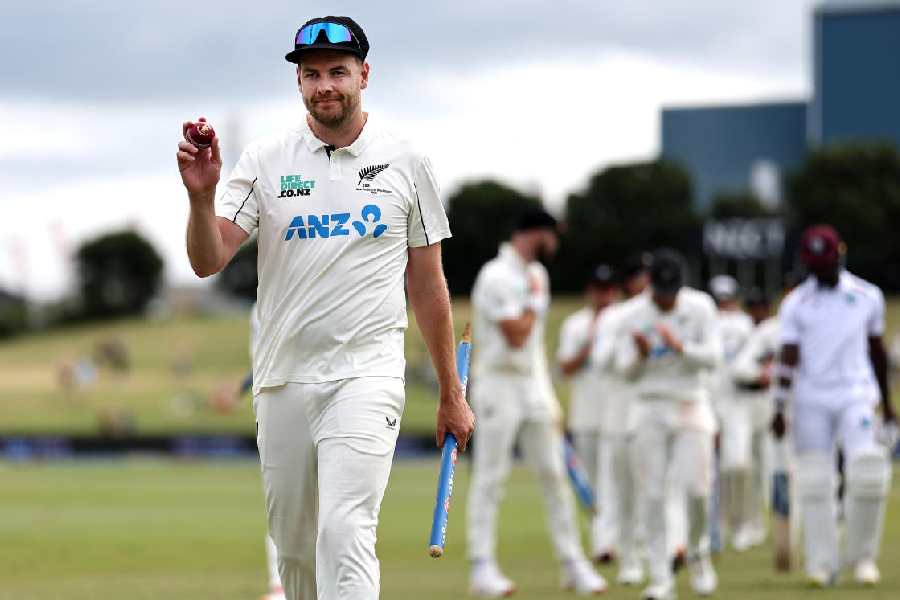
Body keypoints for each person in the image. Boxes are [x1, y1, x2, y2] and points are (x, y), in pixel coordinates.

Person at [176, 16, 475, 600]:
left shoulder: (407, 161)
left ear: (364, 74)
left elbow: (429, 285)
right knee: (293, 553)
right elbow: (207, 260)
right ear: (300, 84)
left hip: (366, 375)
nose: (324, 86)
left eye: (337, 71)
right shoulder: (265, 159)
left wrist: (450, 391)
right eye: (311, 75)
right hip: (283, 378)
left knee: (345, 533)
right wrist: (201, 196)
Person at [466, 207, 606, 597]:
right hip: (497, 384)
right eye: (552, 235)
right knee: (491, 479)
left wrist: (546, 394)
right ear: (535, 233)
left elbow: (533, 344)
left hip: (532, 385)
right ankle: (482, 567)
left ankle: (573, 563)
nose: (556, 243)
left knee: (555, 477)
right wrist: (532, 302)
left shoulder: (536, 275)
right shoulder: (496, 276)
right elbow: (515, 334)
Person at [772, 225, 896, 586]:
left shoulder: (867, 295)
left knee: (867, 473)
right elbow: (788, 358)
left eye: (824, 264)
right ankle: (821, 563)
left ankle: (862, 559)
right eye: (813, 266)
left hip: (856, 395)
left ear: (839, 256)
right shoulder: (796, 302)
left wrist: (888, 406)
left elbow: (877, 353)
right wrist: (779, 408)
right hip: (811, 398)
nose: (819, 272)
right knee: (814, 481)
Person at [614, 249, 721, 600]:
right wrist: (641, 355)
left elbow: (714, 358)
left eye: (671, 292)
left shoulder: (701, 307)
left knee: (697, 490)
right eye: (660, 292)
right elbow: (623, 372)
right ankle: (661, 577)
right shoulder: (631, 314)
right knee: (653, 493)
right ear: (650, 286)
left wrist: (682, 347)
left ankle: (698, 553)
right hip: (649, 405)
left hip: (691, 401)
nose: (666, 299)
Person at [557, 265, 623, 563]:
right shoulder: (575, 325)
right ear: (590, 292)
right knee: (592, 483)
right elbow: (565, 368)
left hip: (617, 414)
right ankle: (602, 540)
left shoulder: (624, 320)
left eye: (608, 290)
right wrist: (589, 348)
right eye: (599, 289)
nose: (604, 296)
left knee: (615, 481)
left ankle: (609, 543)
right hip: (585, 414)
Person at [707, 275, 755, 551]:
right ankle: (721, 522)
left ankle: (743, 522)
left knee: (737, 464)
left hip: (737, 401)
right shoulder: (705, 320)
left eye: (727, 299)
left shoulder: (744, 324)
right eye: (719, 300)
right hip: (712, 400)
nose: (723, 305)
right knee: (715, 468)